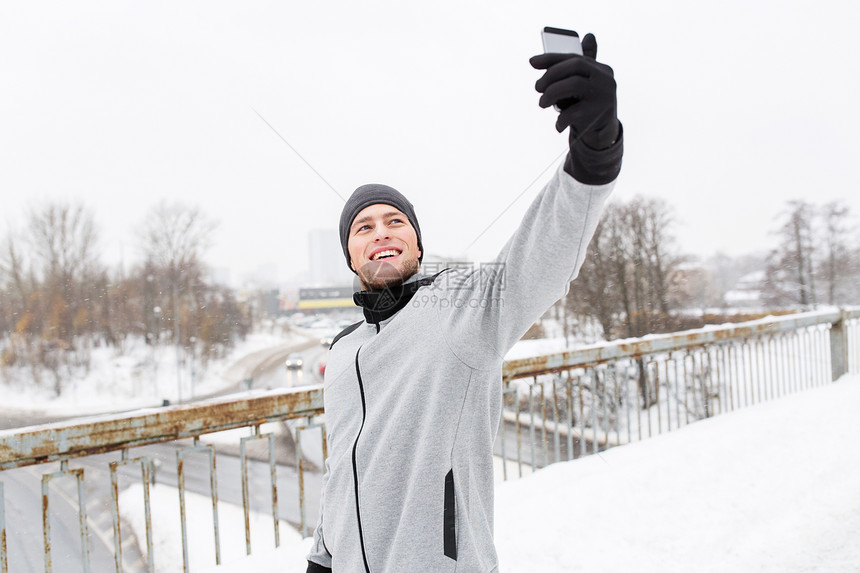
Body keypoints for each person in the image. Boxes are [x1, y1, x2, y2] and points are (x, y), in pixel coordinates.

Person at [306, 33, 623, 573]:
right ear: (351, 256)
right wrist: (321, 556)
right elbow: (344, 469)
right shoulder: (342, 352)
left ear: (417, 244)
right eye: (363, 227)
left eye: (395, 221)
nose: (380, 232)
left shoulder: (466, 308)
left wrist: (595, 145)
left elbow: (544, 252)